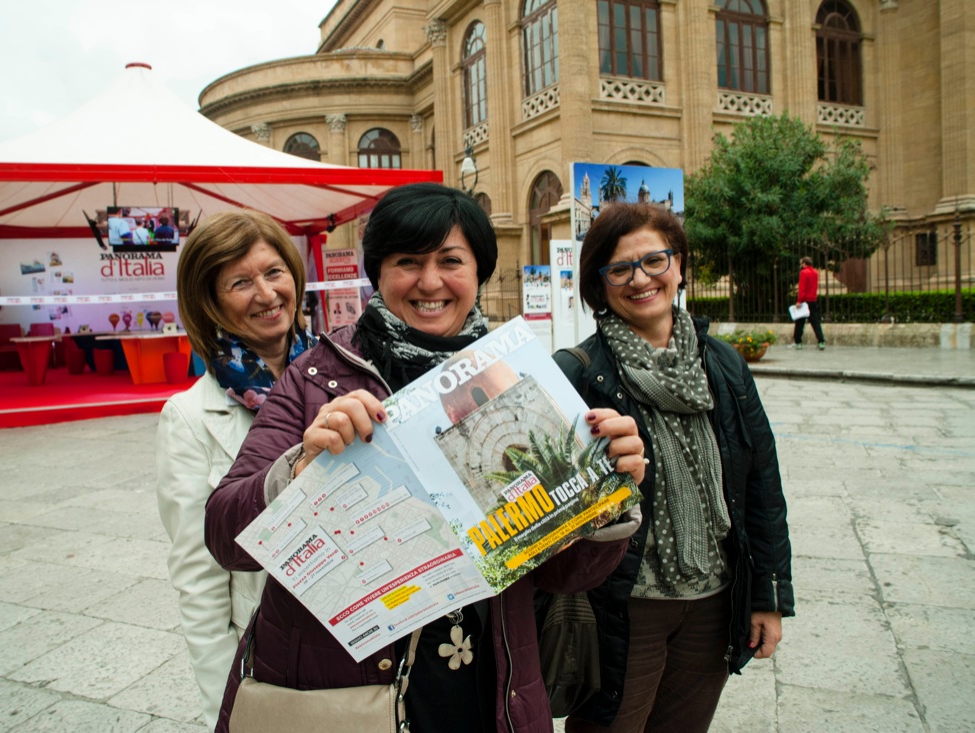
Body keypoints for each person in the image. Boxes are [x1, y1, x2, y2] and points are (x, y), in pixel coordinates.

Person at [205, 182, 647, 733]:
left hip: (490, 685)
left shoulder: (520, 381)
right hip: (346, 694)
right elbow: (224, 537)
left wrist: (603, 495)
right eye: (408, 262)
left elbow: (563, 574)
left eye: (451, 261)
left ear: (479, 271)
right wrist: (300, 469)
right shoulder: (317, 375)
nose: (430, 281)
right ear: (379, 272)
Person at [555, 203, 794, 733]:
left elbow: (761, 485)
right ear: (599, 285)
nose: (641, 279)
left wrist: (769, 597)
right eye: (620, 269)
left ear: (679, 265)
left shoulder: (723, 365)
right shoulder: (578, 373)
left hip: (713, 602)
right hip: (622, 606)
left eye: (654, 261)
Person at [155, 210, 316, 730]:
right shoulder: (189, 417)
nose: (267, 294)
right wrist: (230, 707)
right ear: (210, 302)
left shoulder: (342, 372)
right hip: (272, 654)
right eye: (241, 283)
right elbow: (199, 583)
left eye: (274, 272)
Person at [792, 256, 826, 350]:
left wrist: (799, 301)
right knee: (815, 322)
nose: (801, 265)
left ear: (804, 263)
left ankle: (798, 342)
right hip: (813, 300)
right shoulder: (815, 272)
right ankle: (821, 341)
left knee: (800, 322)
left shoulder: (803, 272)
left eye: (801, 263)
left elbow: (802, 288)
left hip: (804, 301)